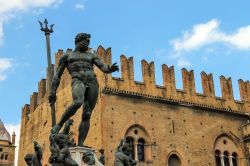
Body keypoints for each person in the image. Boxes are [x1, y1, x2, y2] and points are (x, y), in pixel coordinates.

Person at [49, 33, 119, 147]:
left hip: (92, 82)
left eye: (88, 42)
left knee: (87, 113)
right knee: (78, 101)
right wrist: (53, 92)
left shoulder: (91, 55)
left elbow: (103, 67)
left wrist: (110, 69)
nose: (87, 44)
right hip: (77, 80)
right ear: (77, 41)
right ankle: (59, 124)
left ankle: (81, 144)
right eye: (85, 42)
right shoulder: (67, 57)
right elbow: (57, 76)